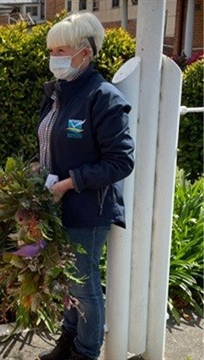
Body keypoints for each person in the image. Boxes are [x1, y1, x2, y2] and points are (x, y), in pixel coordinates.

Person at [36, 12, 135, 360]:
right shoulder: (57, 95)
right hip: (57, 208)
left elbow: (121, 161)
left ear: (85, 54)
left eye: (60, 49)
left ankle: (86, 353)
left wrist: (68, 183)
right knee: (66, 282)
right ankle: (68, 344)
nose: (53, 58)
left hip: (87, 210)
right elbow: (51, 146)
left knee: (83, 284)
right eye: (51, 50)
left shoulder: (102, 98)